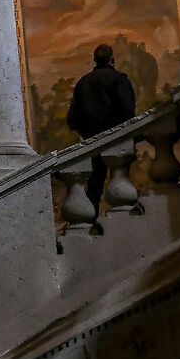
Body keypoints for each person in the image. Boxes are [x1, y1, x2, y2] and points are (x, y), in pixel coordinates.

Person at [65, 44, 137, 230]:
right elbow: (128, 111)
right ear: (112, 59)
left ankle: (90, 223)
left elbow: (72, 119)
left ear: (95, 60)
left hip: (93, 143)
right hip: (118, 140)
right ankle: (125, 226)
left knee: (94, 185)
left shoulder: (83, 83)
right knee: (122, 178)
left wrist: (87, 134)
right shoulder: (119, 80)